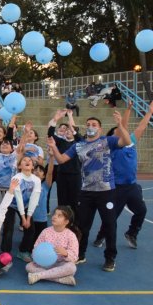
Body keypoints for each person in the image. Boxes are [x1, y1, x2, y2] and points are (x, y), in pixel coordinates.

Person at [47, 112, 132, 271]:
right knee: (82, 225)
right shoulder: (78, 145)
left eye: (94, 125)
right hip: (86, 191)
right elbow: (61, 160)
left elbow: (126, 141)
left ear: (100, 128)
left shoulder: (107, 141)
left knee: (109, 224)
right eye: (88, 124)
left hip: (106, 191)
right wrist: (53, 147)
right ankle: (80, 254)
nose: (91, 127)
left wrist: (120, 124)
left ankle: (110, 258)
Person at [93, 100, 153, 249]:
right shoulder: (112, 148)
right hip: (117, 188)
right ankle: (101, 236)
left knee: (141, 211)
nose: (121, 130)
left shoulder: (131, 143)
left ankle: (132, 233)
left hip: (132, 186)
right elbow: (123, 127)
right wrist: (122, 120)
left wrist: (148, 112)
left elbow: (141, 126)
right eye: (118, 130)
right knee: (111, 217)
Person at [27, 206, 80, 286]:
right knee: (29, 266)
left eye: (59, 216)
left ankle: (39, 275)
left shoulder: (71, 235)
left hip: (61, 264)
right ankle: (60, 279)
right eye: (54, 214)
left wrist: (66, 253)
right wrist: (36, 256)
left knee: (72, 268)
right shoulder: (46, 232)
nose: (54, 217)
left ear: (66, 221)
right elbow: (36, 247)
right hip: (45, 264)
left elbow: (75, 256)